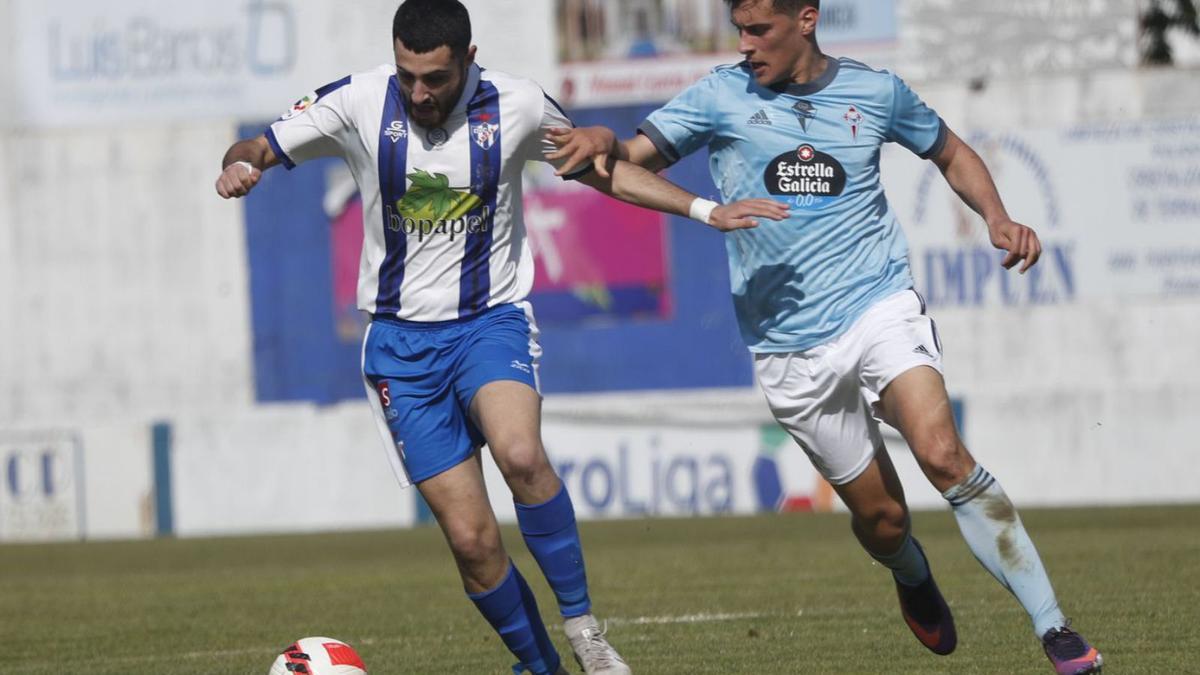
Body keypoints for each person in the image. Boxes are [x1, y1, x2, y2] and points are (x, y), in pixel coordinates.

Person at [214, 2, 785, 674]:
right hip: (399, 346)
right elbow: (257, 145)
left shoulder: (515, 105)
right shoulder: (360, 99)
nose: (419, 93)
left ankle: (586, 633)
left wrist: (705, 208)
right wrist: (240, 164)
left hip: (490, 320)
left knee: (520, 452)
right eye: (408, 77)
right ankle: (540, 665)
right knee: (472, 540)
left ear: (467, 57)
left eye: (434, 78)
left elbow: (600, 170)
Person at [547, 1, 1104, 673]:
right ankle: (910, 574)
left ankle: (1056, 629)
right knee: (886, 521)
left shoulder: (875, 91)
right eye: (740, 31)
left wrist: (996, 215)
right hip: (788, 348)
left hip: (879, 305)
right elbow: (621, 165)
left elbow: (950, 150)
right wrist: (611, 149)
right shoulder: (721, 95)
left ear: (807, 19)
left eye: (760, 30)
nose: (746, 46)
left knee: (942, 452)